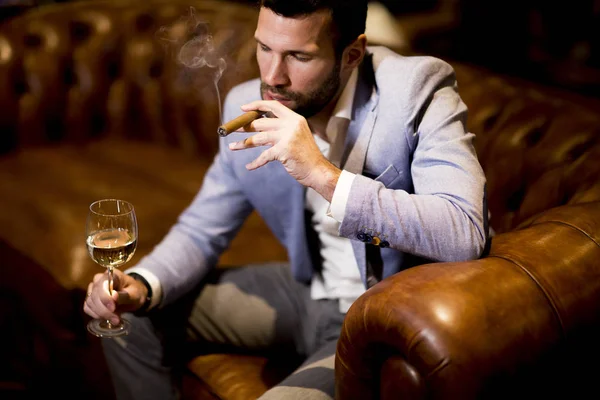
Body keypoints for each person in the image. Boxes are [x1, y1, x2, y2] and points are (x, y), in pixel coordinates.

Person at [83, 0, 489, 398]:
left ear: (352, 54)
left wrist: (322, 175)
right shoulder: (250, 105)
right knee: (131, 316)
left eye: (298, 56)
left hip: (383, 316)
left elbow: (464, 231)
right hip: (307, 292)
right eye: (264, 48)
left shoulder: (418, 89)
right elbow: (201, 230)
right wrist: (139, 284)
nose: (273, 77)